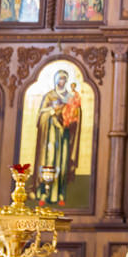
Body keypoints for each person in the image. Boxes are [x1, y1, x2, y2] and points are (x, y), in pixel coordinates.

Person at [33, 70, 81, 206]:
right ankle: (44, 193)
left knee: (63, 162)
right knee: (49, 160)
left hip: (64, 134)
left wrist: (72, 115)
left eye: (64, 79)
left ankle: (61, 193)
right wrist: (52, 111)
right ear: (55, 80)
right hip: (50, 135)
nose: (62, 81)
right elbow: (41, 115)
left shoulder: (70, 97)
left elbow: (75, 114)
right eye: (60, 79)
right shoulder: (49, 96)